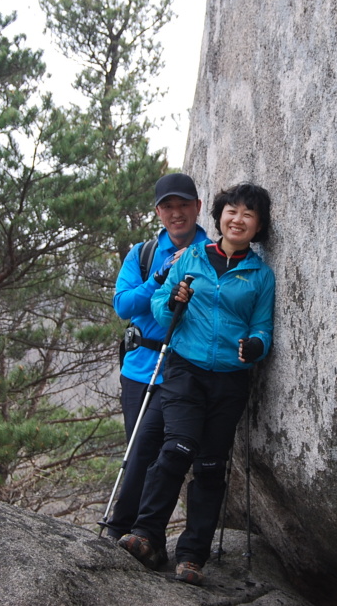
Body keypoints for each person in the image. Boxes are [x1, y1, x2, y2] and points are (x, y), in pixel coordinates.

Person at [117, 182, 275, 586]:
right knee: (177, 448)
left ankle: (192, 556)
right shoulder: (191, 258)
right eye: (232, 212)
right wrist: (173, 301)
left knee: (210, 466)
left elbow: (263, 326)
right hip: (185, 371)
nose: (238, 220)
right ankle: (146, 534)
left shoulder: (260, 275)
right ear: (219, 216)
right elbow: (157, 303)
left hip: (230, 380)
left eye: (248, 216)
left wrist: (256, 345)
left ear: (258, 227)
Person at [104, 173, 208, 549]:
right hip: (140, 367)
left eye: (184, 205)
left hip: (186, 370)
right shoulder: (143, 255)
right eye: (169, 207)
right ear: (158, 212)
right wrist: (161, 277)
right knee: (139, 453)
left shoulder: (212, 252)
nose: (177, 213)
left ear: (198, 207)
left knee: (166, 456)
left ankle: (132, 532)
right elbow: (123, 305)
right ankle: (140, 537)